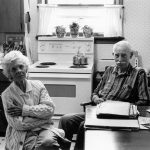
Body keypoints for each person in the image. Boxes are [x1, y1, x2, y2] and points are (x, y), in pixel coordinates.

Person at [58, 40, 150, 150]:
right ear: (113, 55)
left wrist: (121, 107)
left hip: (120, 116)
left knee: (84, 125)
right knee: (65, 120)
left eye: (123, 56)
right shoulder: (109, 70)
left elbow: (144, 101)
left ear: (130, 55)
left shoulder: (138, 73)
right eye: (117, 55)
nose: (120, 59)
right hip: (98, 111)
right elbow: (95, 93)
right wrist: (96, 98)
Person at [1, 50, 70, 150]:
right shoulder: (7, 95)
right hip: (22, 134)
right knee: (33, 147)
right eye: (14, 69)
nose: (19, 71)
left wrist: (24, 111)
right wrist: (44, 119)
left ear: (26, 68)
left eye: (21, 67)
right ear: (9, 74)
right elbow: (18, 124)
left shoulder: (38, 85)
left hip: (45, 129)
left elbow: (49, 110)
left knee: (47, 143)